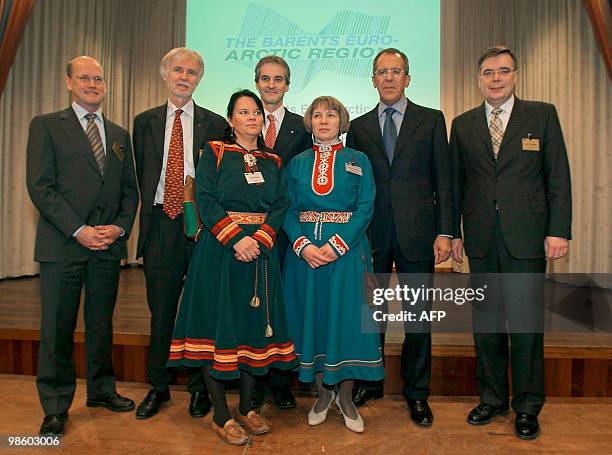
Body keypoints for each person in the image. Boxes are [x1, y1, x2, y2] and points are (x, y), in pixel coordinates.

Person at [450, 45, 572, 440]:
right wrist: (453, 232)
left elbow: (557, 177)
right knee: (486, 325)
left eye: (503, 71)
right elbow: (456, 185)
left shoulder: (542, 114)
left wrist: (559, 230)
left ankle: (527, 405)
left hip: (528, 239)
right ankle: (492, 398)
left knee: (525, 327)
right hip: (482, 240)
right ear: (479, 78)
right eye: (488, 72)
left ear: (515, 75)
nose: (496, 78)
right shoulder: (463, 124)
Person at [167, 89, 298, 446]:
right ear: (231, 120)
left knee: (252, 331)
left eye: (256, 111)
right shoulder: (214, 152)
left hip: (260, 256)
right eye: (243, 112)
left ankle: (248, 406)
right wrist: (236, 239)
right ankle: (222, 415)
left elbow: (282, 204)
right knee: (218, 329)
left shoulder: (274, 160)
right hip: (221, 253)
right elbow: (204, 199)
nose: (252, 117)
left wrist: (261, 239)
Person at [26, 56, 139, 436]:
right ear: (68, 82)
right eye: (85, 77)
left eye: (99, 78)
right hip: (62, 246)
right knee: (57, 328)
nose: (93, 84)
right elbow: (40, 187)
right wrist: (79, 229)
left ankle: (102, 390)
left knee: (101, 324)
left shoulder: (120, 134)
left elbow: (129, 191)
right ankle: (56, 405)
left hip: (106, 247)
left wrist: (119, 229)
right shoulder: (45, 126)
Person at [345, 48, 453, 426]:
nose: (388, 78)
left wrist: (445, 231)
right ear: (373, 79)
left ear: (408, 78)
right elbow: (352, 184)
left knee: (417, 318)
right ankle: (369, 382)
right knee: (371, 315)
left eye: (396, 71)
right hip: (370, 234)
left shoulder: (432, 120)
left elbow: (445, 180)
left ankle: (417, 393)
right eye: (381, 72)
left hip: (418, 233)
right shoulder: (357, 128)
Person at [133, 47, 227, 420]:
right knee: (161, 310)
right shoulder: (144, 122)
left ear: (199, 79)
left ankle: (200, 388)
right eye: (178, 70)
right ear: (165, 73)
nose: (184, 76)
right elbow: (140, 175)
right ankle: (158, 386)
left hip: (202, 227)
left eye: (192, 72)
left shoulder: (215, 122)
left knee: (202, 309)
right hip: (161, 224)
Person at [283, 96, 384, 433]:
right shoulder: (296, 163)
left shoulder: (359, 159)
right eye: (317, 114)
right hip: (305, 257)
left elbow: (366, 206)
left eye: (331, 115)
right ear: (308, 122)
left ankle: (346, 398)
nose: (323, 120)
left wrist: (337, 245)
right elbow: (287, 208)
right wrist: (302, 245)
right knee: (314, 319)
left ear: (343, 122)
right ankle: (322, 395)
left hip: (348, 254)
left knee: (346, 322)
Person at [252, 55, 312, 409]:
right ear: (257, 82)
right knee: (254, 307)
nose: (271, 85)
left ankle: (280, 382)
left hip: (288, 235)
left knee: (283, 308)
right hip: (246, 234)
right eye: (265, 78)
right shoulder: (242, 120)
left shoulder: (301, 127)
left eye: (278, 79)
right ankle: (253, 382)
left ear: (288, 85)